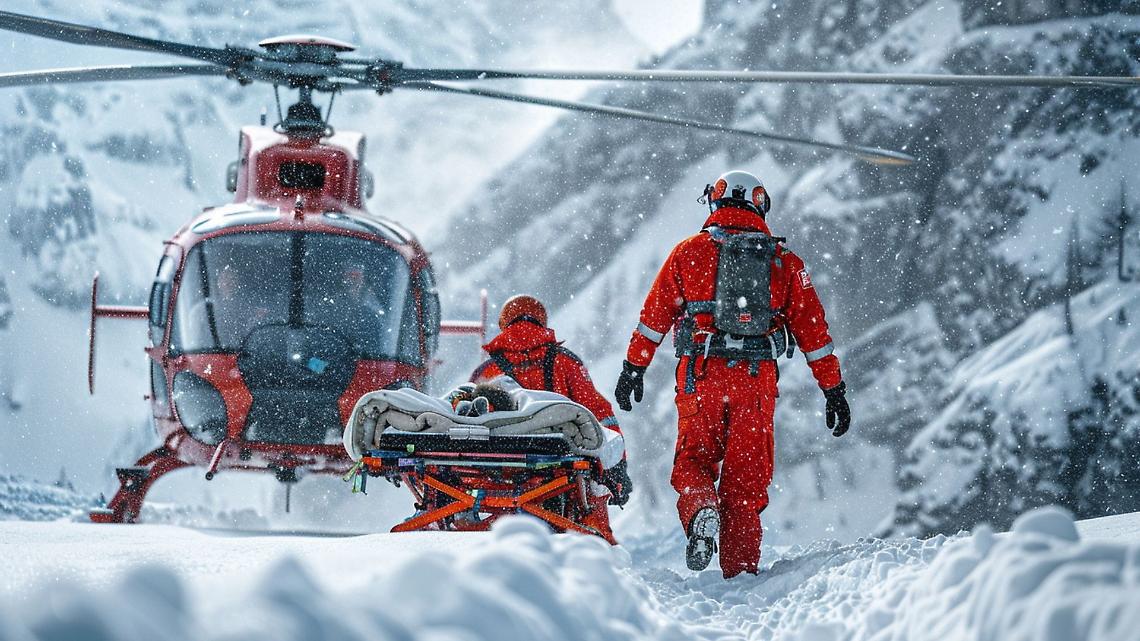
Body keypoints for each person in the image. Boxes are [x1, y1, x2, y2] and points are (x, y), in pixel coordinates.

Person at [614, 170, 851, 577]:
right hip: (756, 381)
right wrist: (834, 389)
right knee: (744, 484)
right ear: (760, 205)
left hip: (701, 376)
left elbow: (652, 319)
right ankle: (738, 574)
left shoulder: (687, 253)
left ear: (715, 202)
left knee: (693, 461)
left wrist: (633, 367)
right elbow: (815, 333)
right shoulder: (785, 263)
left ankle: (702, 507)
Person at [471, 294, 633, 506]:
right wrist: (617, 469)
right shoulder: (565, 361)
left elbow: (470, 419)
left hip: (498, 471)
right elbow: (599, 414)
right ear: (542, 320)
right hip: (557, 468)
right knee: (592, 511)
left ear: (504, 323)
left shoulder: (487, 371)